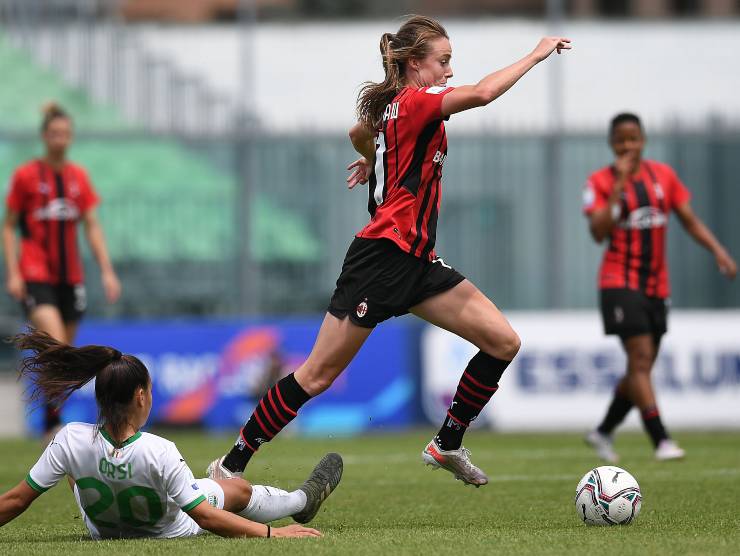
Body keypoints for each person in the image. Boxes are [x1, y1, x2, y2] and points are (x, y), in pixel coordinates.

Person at [207, 15, 571, 487]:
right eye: (442, 62)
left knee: (502, 342)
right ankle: (230, 463)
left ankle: (447, 443)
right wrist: (537, 53)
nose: (448, 72)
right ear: (415, 63)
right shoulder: (418, 101)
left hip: (417, 261)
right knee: (315, 376)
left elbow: (359, 132)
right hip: (381, 258)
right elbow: (481, 94)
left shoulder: (392, 109)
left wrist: (373, 157)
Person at [0, 329, 342, 540]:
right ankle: (302, 500)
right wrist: (273, 533)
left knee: (75, 462)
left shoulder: (68, 437)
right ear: (140, 397)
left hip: (102, 528)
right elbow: (205, 518)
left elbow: (15, 500)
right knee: (236, 489)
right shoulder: (160, 450)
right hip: (171, 528)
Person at [582, 112, 737, 462]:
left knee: (642, 367)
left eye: (632, 139)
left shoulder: (663, 177)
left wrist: (718, 251)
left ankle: (603, 430)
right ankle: (661, 439)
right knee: (639, 359)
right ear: (611, 143)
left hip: (656, 285)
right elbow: (597, 232)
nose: (627, 146)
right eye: (620, 140)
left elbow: (689, 220)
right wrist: (619, 186)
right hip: (618, 282)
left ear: (643, 140)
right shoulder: (600, 181)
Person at [2, 102, 121, 438]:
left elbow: (92, 226)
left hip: (71, 277)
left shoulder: (77, 178)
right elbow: (8, 226)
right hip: (36, 272)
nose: (61, 139)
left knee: (64, 359)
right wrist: (13, 271)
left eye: (66, 134)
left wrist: (107, 270)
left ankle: (49, 419)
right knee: (55, 343)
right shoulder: (26, 176)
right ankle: (52, 425)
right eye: (55, 133)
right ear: (44, 136)